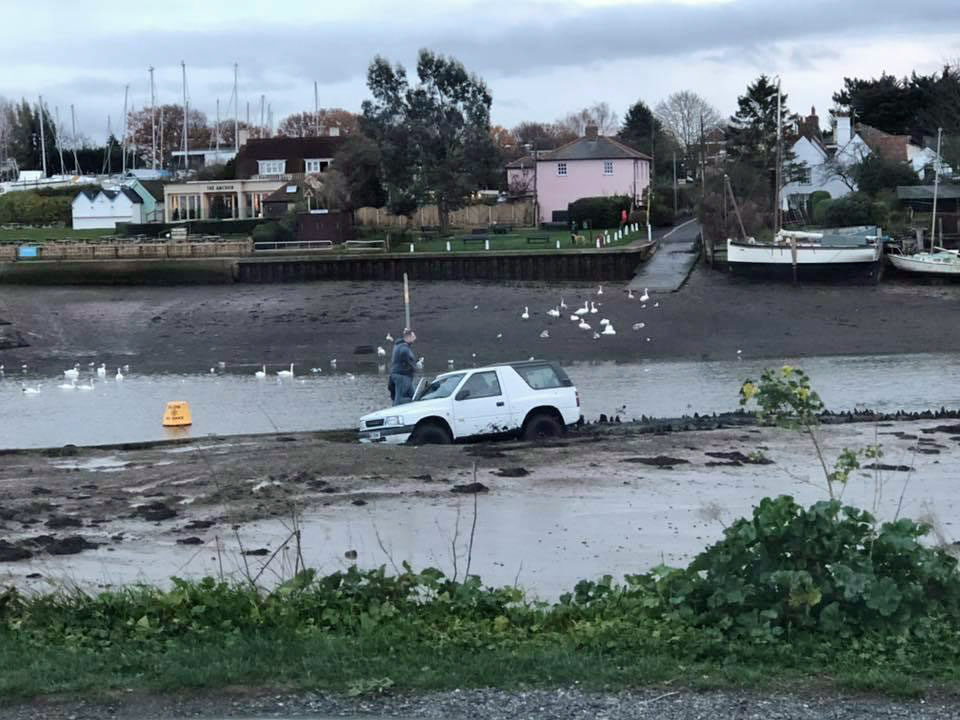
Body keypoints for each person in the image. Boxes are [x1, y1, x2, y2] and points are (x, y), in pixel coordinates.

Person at [389, 328, 418, 406]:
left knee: (414, 398)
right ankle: (395, 413)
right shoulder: (403, 347)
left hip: (403, 376)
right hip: (402, 376)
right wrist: (412, 366)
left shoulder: (399, 345)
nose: (414, 339)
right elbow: (404, 353)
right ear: (408, 337)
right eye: (413, 336)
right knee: (399, 401)